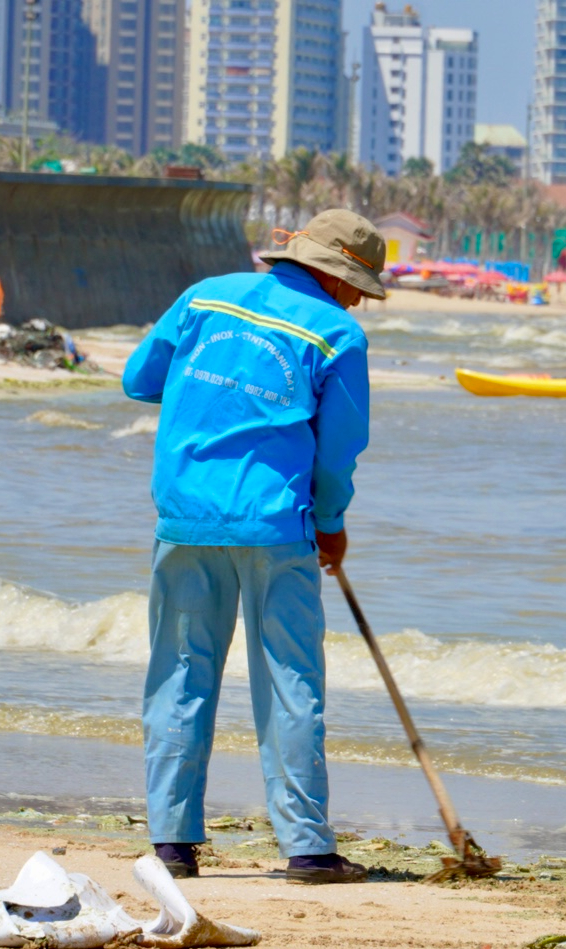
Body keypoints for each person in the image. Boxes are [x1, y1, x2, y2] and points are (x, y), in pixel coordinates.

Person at [122, 209, 382, 885]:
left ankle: (171, 844)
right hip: (276, 527)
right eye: (358, 282)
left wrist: (212, 400)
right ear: (334, 272)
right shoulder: (337, 334)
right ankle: (305, 848)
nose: (359, 297)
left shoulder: (204, 297)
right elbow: (338, 454)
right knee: (290, 681)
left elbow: (139, 380)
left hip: (183, 518)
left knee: (179, 672)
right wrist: (332, 523)